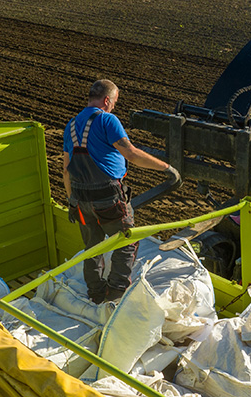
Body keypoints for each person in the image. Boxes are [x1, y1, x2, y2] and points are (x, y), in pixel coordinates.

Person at [63, 79, 180, 304]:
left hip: (80, 198)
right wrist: (167, 168)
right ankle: (116, 294)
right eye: (114, 102)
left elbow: (66, 171)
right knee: (126, 243)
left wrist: (72, 202)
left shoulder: (71, 125)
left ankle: (96, 294)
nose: (114, 106)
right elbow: (132, 154)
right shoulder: (108, 120)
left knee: (92, 248)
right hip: (108, 198)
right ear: (107, 100)